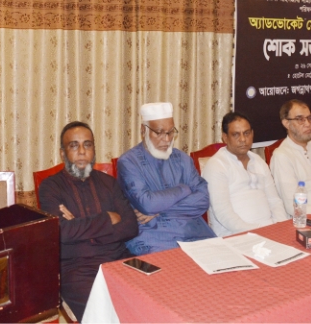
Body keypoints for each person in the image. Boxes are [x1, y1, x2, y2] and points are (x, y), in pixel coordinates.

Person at [39, 121, 137, 321]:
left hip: (121, 259)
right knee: (107, 316)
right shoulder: (50, 187)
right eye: (74, 145)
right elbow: (62, 232)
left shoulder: (109, 182)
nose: (82, 152)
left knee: (158, 293)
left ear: (94, 150)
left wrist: (82, 228)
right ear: (62, 153)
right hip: (78, 269)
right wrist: (108, 218)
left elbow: (131, 227)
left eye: (87, 145)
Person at [117, 102, 215, 255]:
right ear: (143, 130)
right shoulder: (129, 162)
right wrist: (184, 189)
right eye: (159, 133)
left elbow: (203, 200)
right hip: (153, 237)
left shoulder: (183, 159)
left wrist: (159, 211)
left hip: (193, 232)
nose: (167, 139)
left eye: (170, 132)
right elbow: (147, 204)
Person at [201, 112, 287, 237]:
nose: (243, 139)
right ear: (225, 137)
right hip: (235, 236)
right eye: (236, 134)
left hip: (269, 230)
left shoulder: (258, 161)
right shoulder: (216, 166)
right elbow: (223, 214)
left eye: (246, 133)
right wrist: (259, 232)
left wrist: (281, 226)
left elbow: (275, 201)